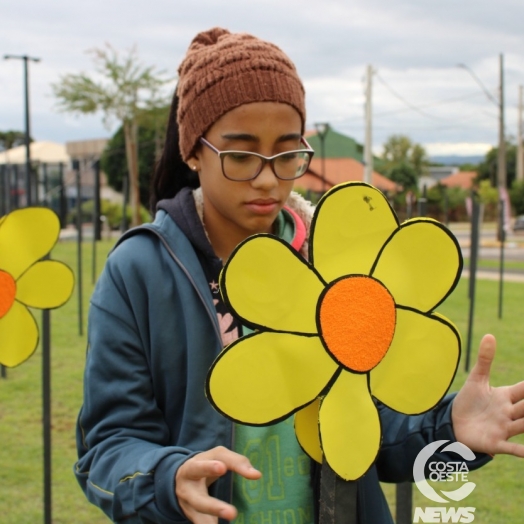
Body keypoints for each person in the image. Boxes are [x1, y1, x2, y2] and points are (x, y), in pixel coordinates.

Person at [75, 27, 524, 524]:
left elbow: (375, 445)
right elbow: (105, 451)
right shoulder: (139, 271)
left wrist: (452, 432)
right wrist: (167, 479)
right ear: (193, 152)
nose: (268, 178)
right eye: (241, 155)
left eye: (287, 153)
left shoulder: (343, 264)